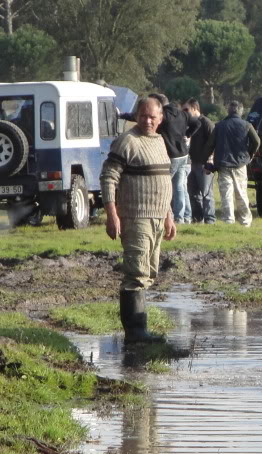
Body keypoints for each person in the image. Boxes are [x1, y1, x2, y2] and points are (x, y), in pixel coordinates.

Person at [100, 97, 176, 343]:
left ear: (160, 118)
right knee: (136, 272)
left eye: (153, 117)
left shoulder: (160, 141)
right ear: (135, 116)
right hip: (135, 216)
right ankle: (135, 332)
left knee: (149, 272)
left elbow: (163, 181)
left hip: (157, 216)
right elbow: (108, 177)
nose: (148, 121)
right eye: (143, 115)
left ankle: (140, 330)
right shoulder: (127, 141)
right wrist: (112, 214)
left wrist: (169, 215)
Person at [121, 93, 199, 224]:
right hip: (183, 154)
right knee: (181, 186)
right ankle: (185, 216)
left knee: (165, 185)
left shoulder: (164, 117)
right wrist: (187, 134)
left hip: (171, 154)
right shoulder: (181, 113)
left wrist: (122, 115)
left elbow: (142, 119)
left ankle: (173, 216)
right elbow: (197, 123)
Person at [202, 101, 260, 226]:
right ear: (241, 111)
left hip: (223, 165)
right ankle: (245, 222)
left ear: (228, 111)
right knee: (241, 193)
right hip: (240, 164)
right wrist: (250, 155)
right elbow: (256, 141)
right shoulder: (247, 125)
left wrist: (205, 160)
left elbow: (210, 145)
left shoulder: (219, 126)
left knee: (226, 195)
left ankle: (228, 220)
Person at [183, 98, 216, 223]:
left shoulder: (206, 123)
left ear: (195, 109)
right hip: (192, 163)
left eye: (187, 110)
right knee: (193, 193)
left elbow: (214, 142)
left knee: (207, 194)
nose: (185, 113)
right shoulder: (190, 124)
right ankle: (197, 218)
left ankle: (210, 220)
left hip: (204, 164)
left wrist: (210, 161)